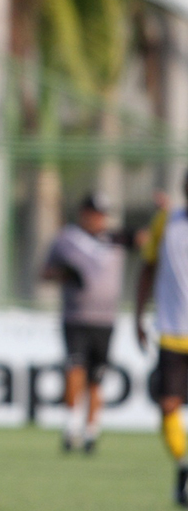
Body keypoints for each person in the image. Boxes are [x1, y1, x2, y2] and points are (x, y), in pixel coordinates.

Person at [41, 192, 130, 454]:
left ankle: (91, 431)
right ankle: (72, 427)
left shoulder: (114, 239)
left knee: (97, 378)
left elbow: (145, 241)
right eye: (94, 214)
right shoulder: (67, 239)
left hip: (106, 319)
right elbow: (46, 272)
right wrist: (66, 274)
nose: (99, 219)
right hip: (77, 317)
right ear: (83, 213)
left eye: (102, 215)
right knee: (75, 369)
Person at [136, 172, 188, 507]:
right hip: (172, 332)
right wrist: (137, 316)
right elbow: (147, 268)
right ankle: (184, 464)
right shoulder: (166, 222)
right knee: (168, 406)